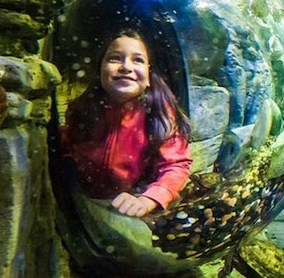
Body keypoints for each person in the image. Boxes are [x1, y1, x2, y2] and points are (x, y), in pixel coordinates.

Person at [60, 29, 192, 217]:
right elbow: (66, 146)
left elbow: (176, 165)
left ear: (149, 75)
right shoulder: (82, 109)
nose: (126, 67)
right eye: (115, 58)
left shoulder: (159, 115)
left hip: (134, 206)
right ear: (100, 69)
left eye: (137, 60)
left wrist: (148, 199)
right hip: (82, 202)